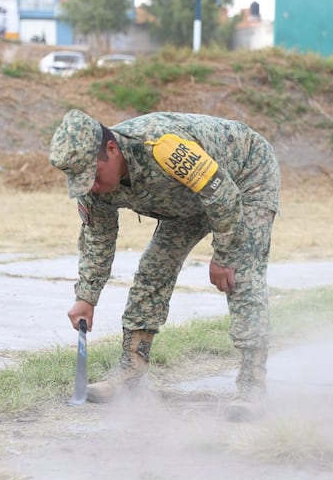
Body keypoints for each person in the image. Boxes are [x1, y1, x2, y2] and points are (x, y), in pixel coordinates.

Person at [48, 109, 281, 422]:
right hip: (186, 198)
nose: (91, 186)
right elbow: (97, 239)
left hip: (244, 177)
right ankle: (131, 373)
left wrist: (224, 256)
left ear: (112, 150)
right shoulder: (92, 187)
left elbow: (223, 196)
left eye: (93, 176)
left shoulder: (164, 147)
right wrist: (86, 297)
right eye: (81, 181)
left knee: (240, 274)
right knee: (152, 271)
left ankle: (252, 385)